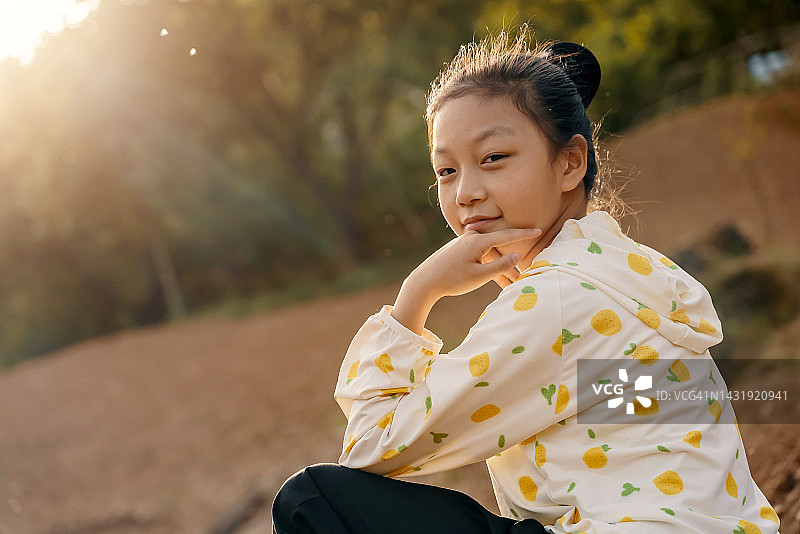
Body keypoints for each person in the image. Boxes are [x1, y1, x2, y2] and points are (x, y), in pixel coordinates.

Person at [272, 28, 781, 534]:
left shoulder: (556, 300)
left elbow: (371, 448)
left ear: (570, 163)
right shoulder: (628, 274)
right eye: (446, 171)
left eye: (493, 158)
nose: (466, 193)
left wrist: (418, 294)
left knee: (312, 500)